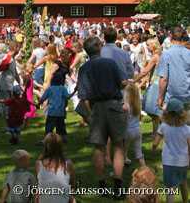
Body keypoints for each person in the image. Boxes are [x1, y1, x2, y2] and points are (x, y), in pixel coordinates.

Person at [77, 36, 127, 199]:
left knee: (99, 148)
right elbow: (122, 83)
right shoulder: (109, 63)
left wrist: (90, 115)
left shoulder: (84, 68)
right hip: (113, 104)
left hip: (96, 107)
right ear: (98, 47)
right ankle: (118, 187)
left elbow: (83, 97)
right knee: (118, 146)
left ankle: (102, 186)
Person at [153, 98, 190, 203]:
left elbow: (155, 143)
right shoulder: (187, 129)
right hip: (183, 162)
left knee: (170, 189)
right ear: (183, 113)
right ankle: (185, 201)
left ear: (167, 113)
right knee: (183, 183)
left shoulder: (163, 126)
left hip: (168, 162)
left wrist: (154, 147)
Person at [0, 42, 21, 137]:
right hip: (5, 84)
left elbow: (15, 73)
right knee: (3, 106)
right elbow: (1, 68)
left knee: (5, 107)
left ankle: (8, 128)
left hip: (3, 84)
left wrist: (20, 83)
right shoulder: (8, 58)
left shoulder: (5, 58)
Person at [157, 26, 190, 122]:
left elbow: (164, 79)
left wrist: (160, 98)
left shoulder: (166, 54)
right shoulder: (188, 53)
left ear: (170, 37)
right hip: (187, 96)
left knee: (172, 130)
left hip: (172, 98)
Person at [35, 132, 75, 203]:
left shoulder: (39, 164)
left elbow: (40, 186)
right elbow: (72, 186)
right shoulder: (68, 164)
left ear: (46, 146)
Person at [38, 70, 69, 143]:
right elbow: (67, 98)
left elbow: (43, 98)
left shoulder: (50, 89)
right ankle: (63, 139)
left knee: (49, 128)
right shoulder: (63, 88)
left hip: (52, 112)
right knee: (61, 127)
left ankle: (45, 140)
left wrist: (38, 104)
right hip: (60, 112)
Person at [123, 84, 145, 167]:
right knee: (139, 154)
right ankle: (145, 169)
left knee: (122, 150)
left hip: (127, 131)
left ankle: (118, 174)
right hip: (137, 130)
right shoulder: (138, 105)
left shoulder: (125, 106)